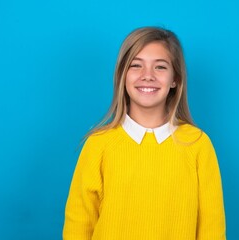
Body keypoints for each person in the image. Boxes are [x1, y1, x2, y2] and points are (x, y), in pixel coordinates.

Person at [63, 26, 226, 240]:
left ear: (175, 78)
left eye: (160, 67)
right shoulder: (98, 145)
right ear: (122, 75)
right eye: (136, 65)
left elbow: (212, 229)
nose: (147, 76)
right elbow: (78, 225)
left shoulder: (197, 145)